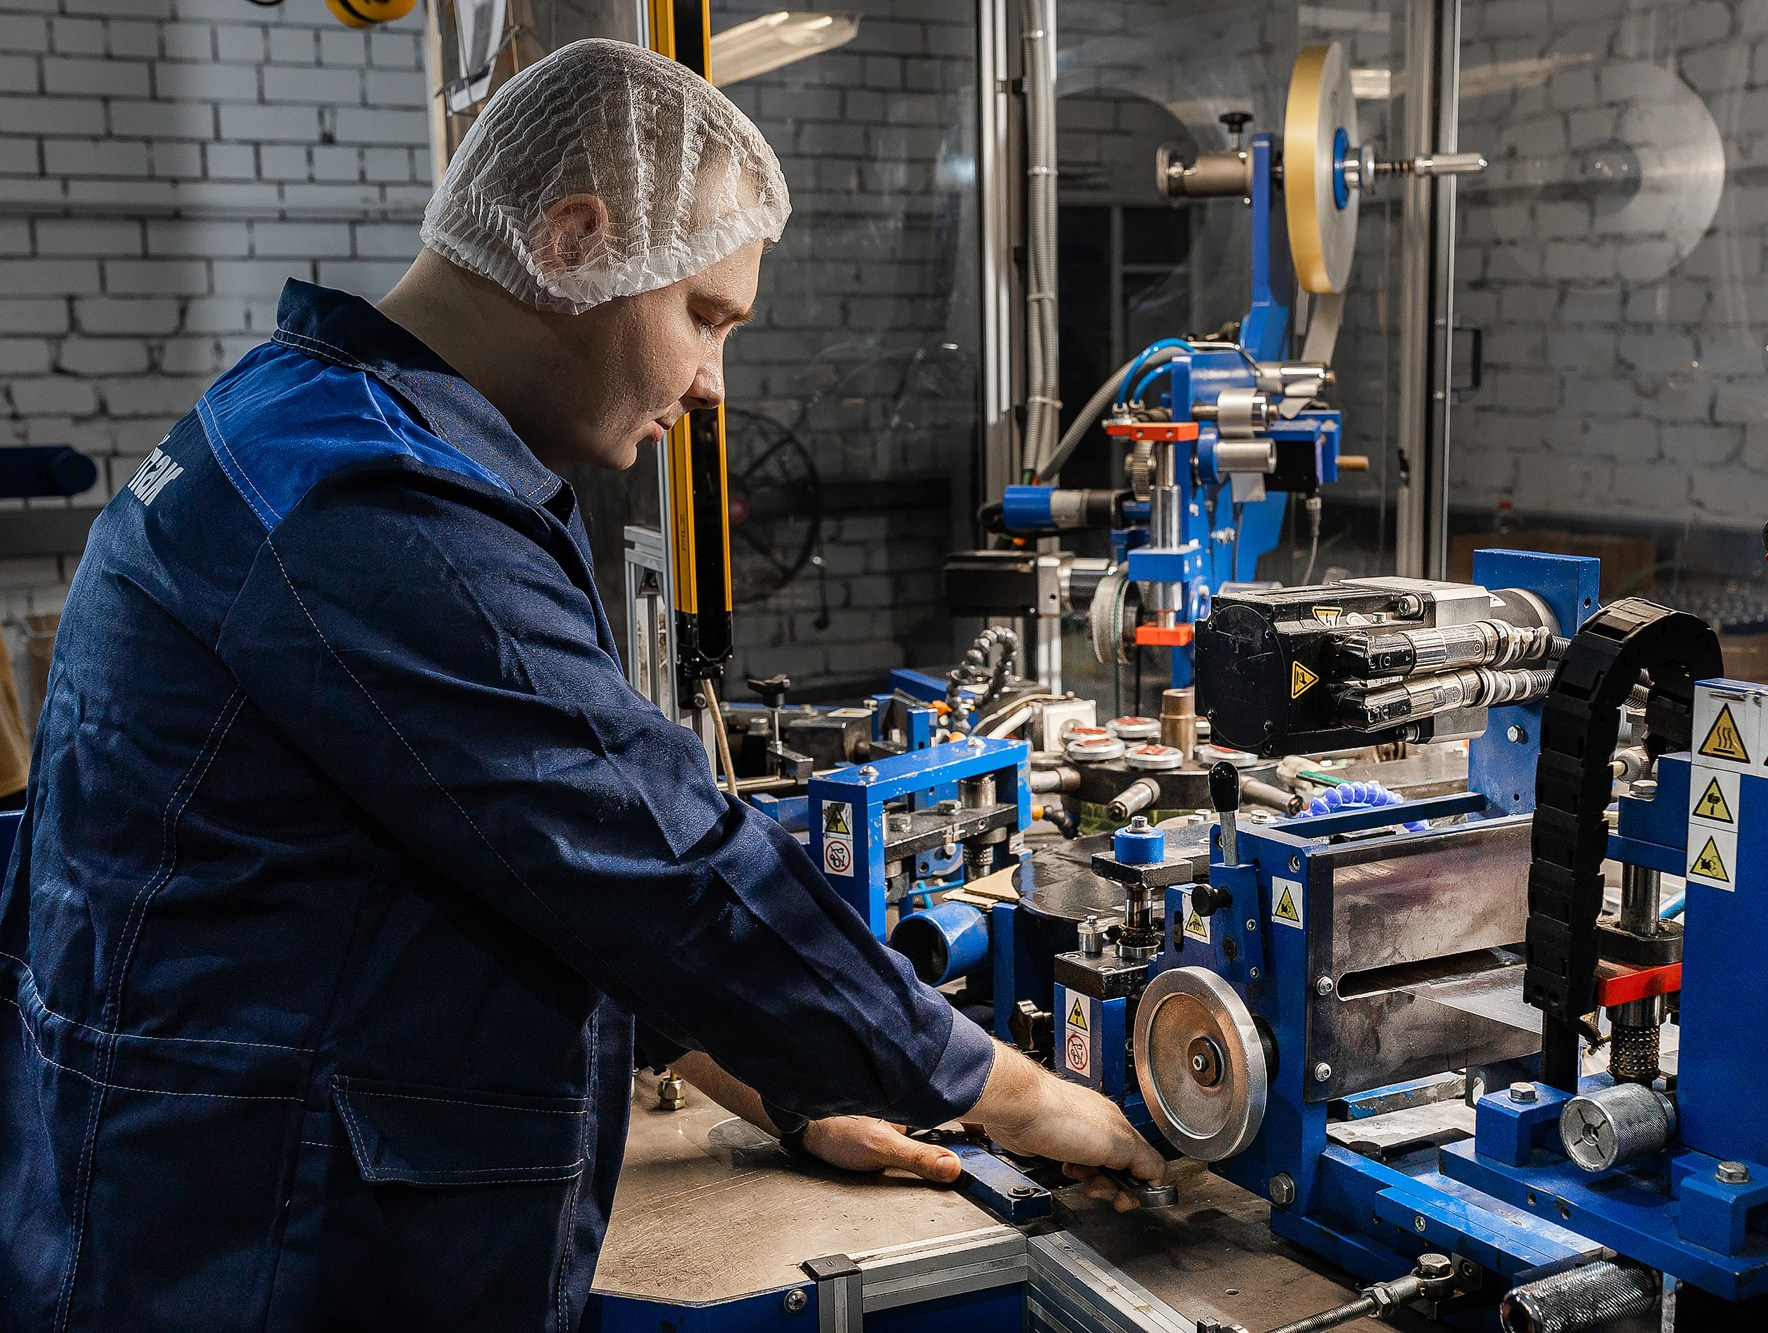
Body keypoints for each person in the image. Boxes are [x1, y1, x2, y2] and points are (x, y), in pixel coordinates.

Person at [0, 39, 1161, 1333]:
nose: (713, 383)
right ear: (569, 240)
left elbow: (523, 856)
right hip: (256, 1258)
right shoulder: (370, 506)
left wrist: (784, 1084)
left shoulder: (294, 425)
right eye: (704, 318)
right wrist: (1013, 1092)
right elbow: (658, 856)